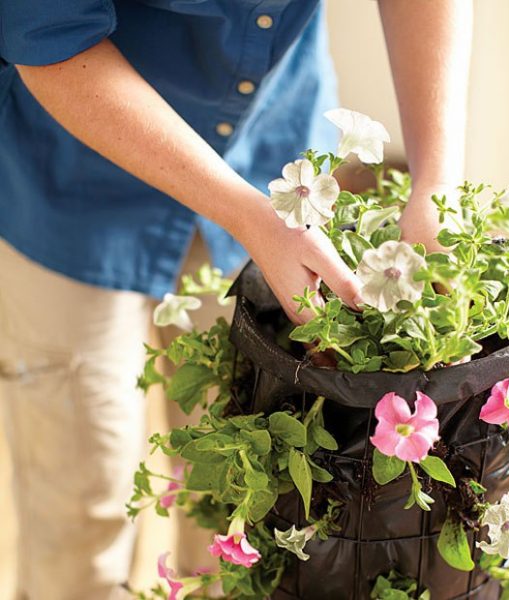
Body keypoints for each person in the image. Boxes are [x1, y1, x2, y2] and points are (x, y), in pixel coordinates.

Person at [0, 0, 472, 598]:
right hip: (72, 180)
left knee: (240, 505)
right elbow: (49, 31)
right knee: (80, 511)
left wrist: (436, 179)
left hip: (269, 156)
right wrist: (249, 216)